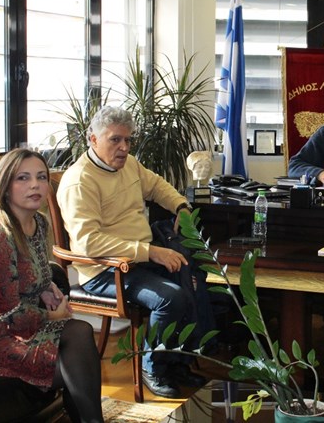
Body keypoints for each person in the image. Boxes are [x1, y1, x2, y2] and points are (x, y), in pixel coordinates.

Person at [56, 106, 211, 399]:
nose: (124, 148)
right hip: (104, 269)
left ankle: (177, 361)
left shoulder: (129, 165)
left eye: (128, 140)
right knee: (171, 297)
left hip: (137, 260)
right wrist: (149, 252)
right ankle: (152, 367)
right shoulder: (80, 181)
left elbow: (157, 186)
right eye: (115, 140)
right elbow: (89, 243)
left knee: (192, 277)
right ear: (93, 139)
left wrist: (181, 206)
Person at [0, 148, 104, 423]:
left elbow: (36, 270)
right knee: (78, 364)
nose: (35, 185)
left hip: (14, 327)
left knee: (80, 332)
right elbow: (12, 316)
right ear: (5, 186)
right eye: (22, 178)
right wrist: (53, 316)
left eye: (41, 177)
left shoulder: (39, 222)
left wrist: (47, 289)